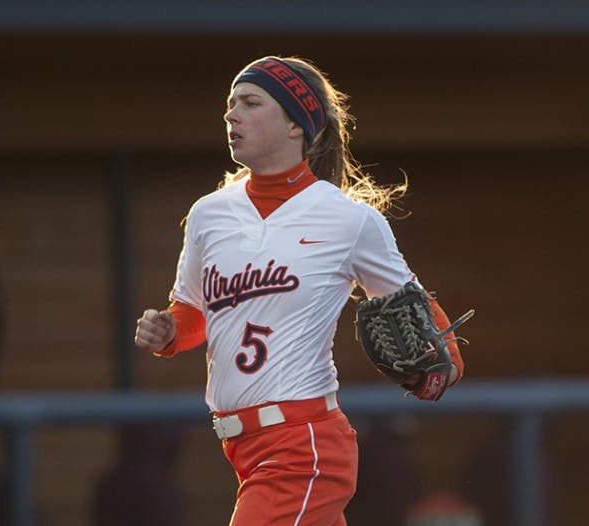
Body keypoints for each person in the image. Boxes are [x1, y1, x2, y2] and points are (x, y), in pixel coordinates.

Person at [134, 56, 467, 525]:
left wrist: (447, 366)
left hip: (303, 445)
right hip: (242, 449)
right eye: (231, 104)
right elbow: (194, 316)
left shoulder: (347, 219)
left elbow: (415, 303)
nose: (232, 115)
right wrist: (168, 330)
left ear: (296, 126)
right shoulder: (209, 214)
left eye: (250, 103)